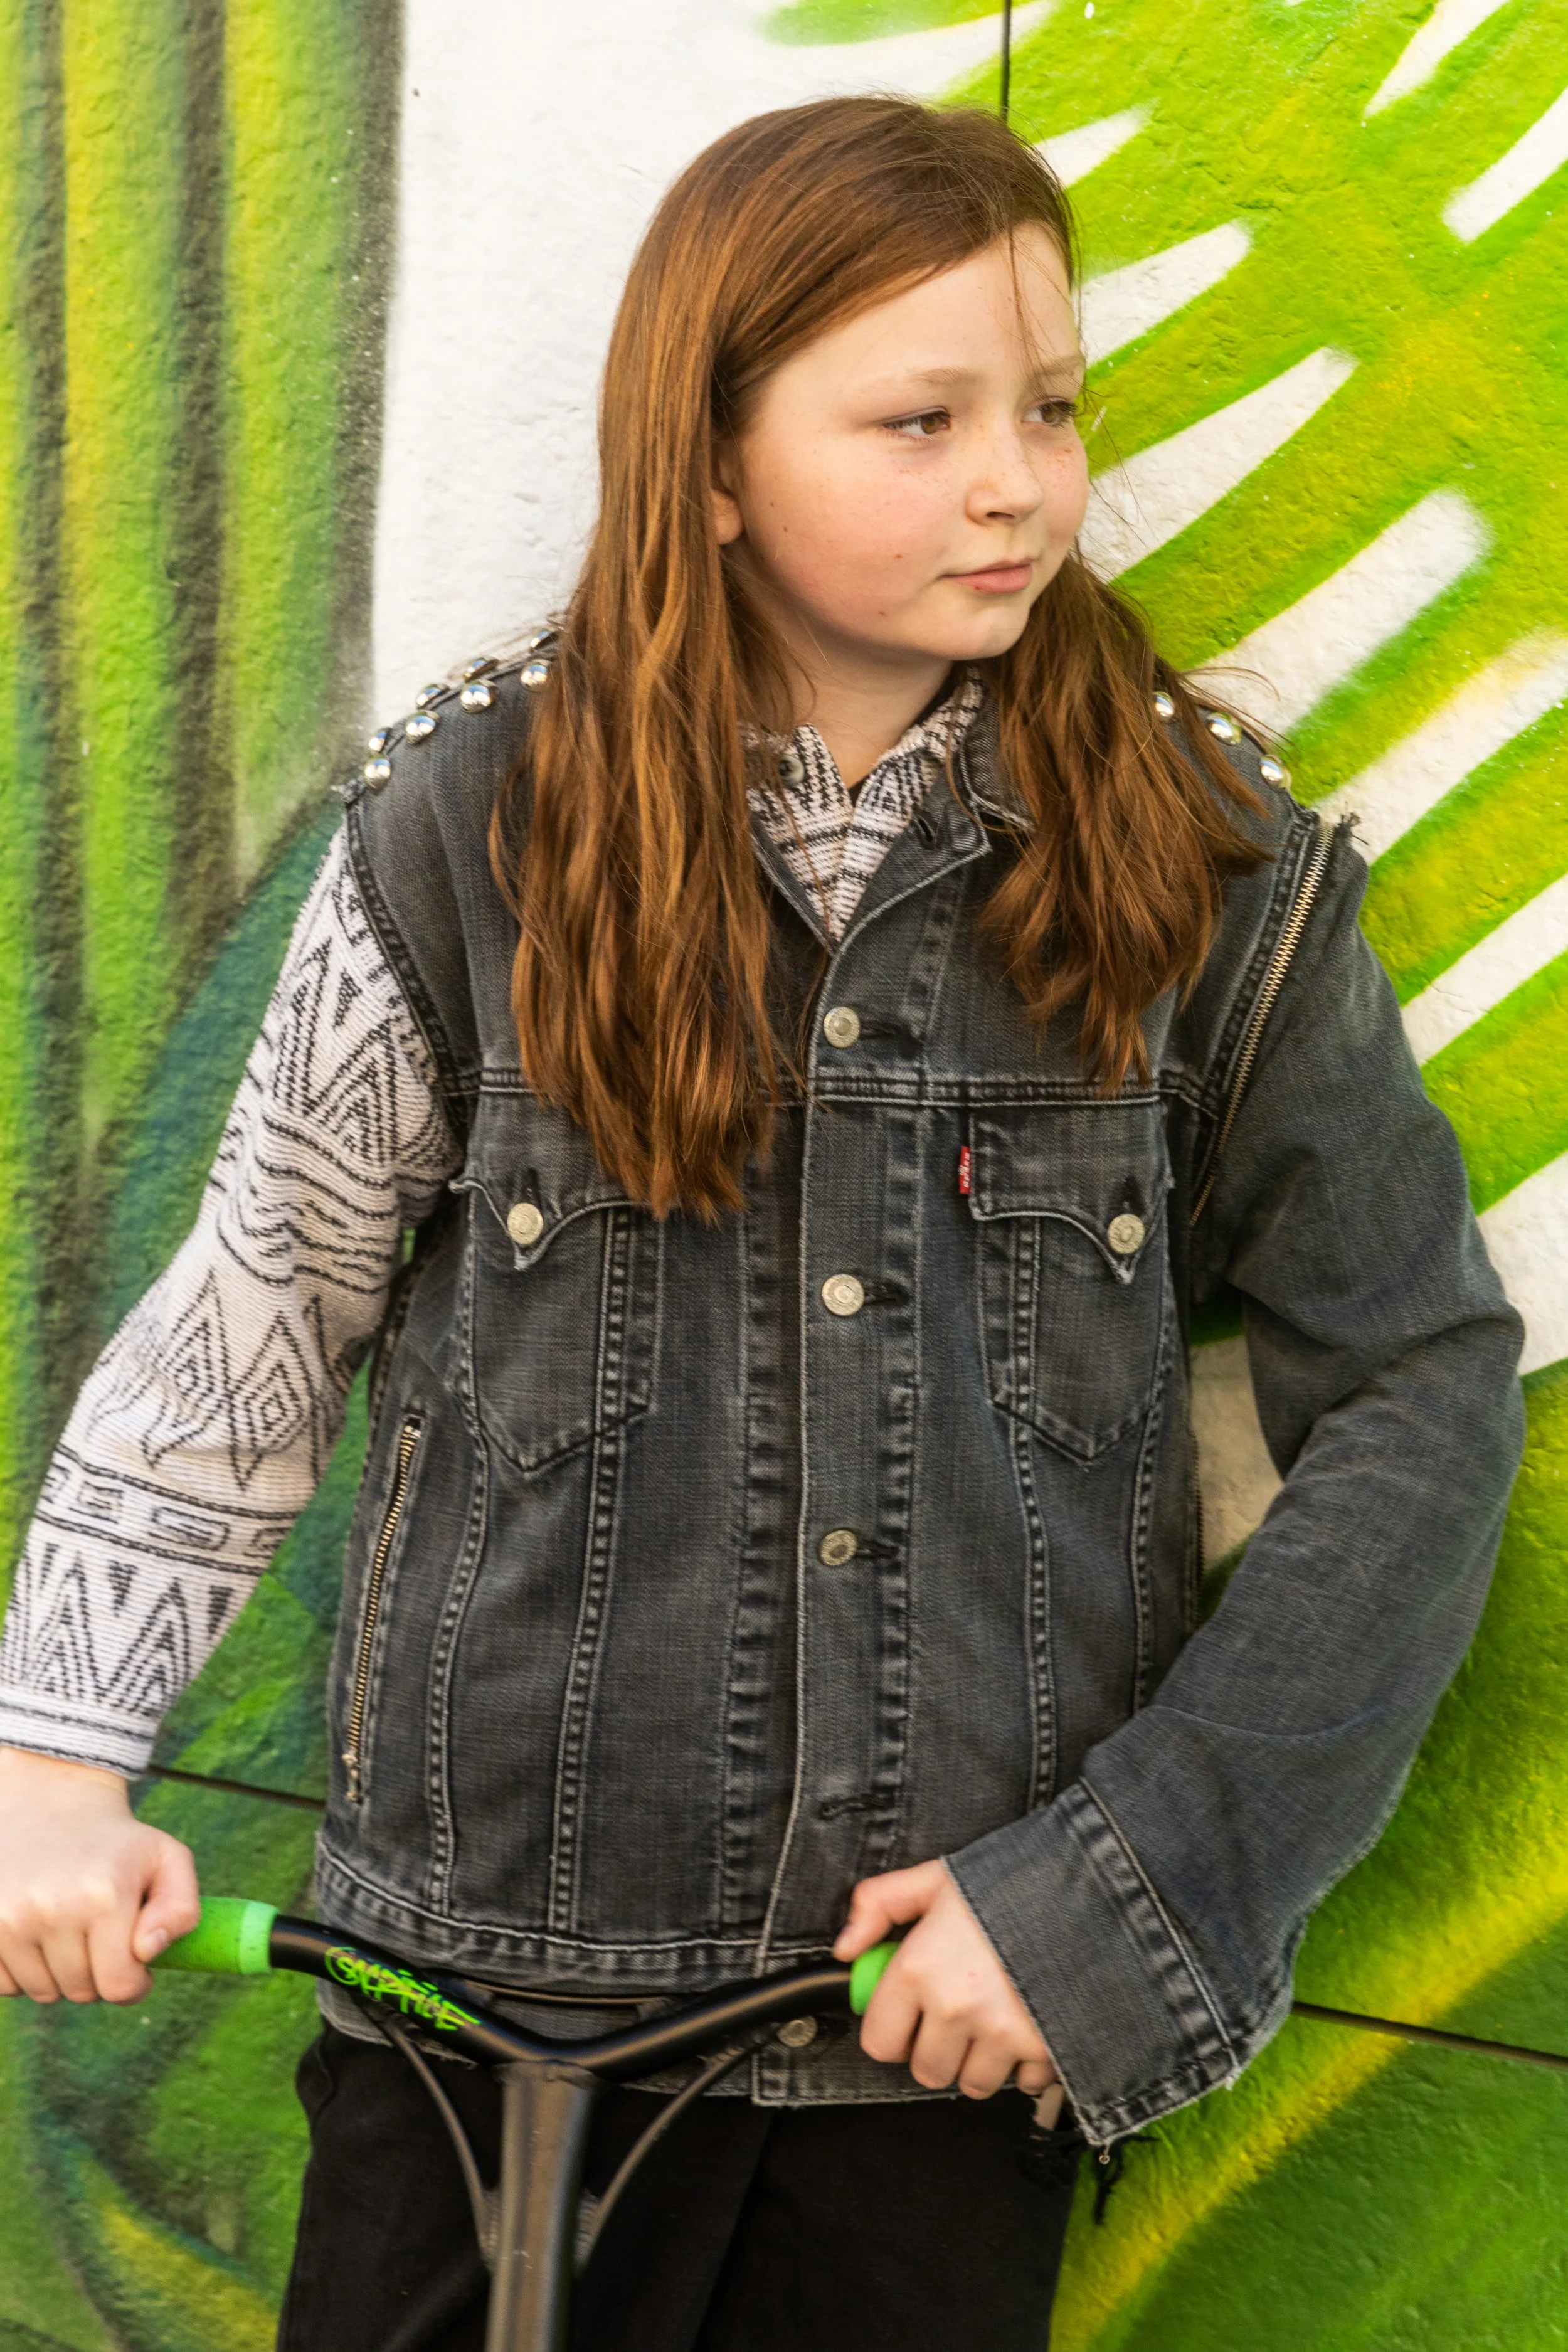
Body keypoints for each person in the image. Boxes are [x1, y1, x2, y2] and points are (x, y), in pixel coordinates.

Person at [0, 95, 1525, 2351]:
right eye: (918, 420)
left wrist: (1118, 1896)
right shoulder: (463, 833)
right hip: (470, 2042)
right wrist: (51, 1762)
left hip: (934, 2041)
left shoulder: (1207, 879)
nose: (1015, 479)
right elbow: (261, 1303)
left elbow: (1415, 1381)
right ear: (707, 461)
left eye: (1048, 405)